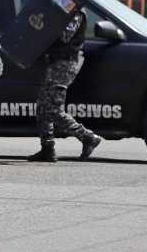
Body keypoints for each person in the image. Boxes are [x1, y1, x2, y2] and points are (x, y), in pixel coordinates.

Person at [27, 10, 104, 162]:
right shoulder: (65, 12)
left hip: (64, 65)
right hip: (55, 63)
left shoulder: (76, 14)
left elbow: (64, 36)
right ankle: (47, 148)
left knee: (53, 109)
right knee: (42, 106)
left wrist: (43, 26)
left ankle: (88, 136)